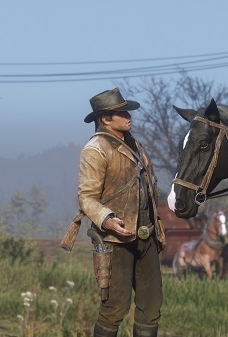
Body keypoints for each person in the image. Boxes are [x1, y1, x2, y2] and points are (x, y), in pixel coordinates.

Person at [78, 88, 164, 337]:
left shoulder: (135, 145)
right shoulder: (95, 149)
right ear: (105, 118)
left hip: (145, 236)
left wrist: (157, 223)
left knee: (152, 305)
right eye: (122, 112)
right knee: (114, 307)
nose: (128, 116)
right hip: (116, 239)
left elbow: (148, 188)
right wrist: (108, 220)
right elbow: (87, 197)